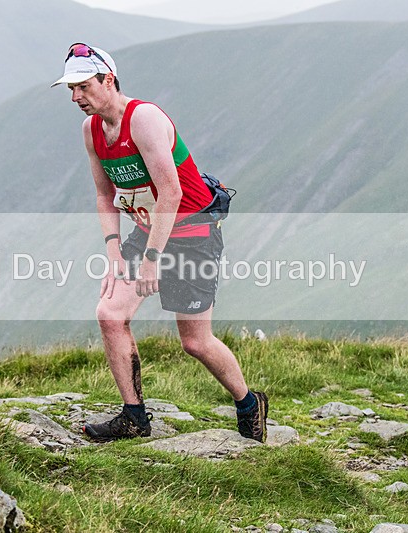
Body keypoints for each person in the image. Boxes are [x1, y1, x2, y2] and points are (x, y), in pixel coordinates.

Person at [51, 43, 268, 443]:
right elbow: (104, 195)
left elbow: (170, 192)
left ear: (108, 79)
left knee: (195, 342)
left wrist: (152, 259)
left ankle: (249, 404)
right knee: (110, 314)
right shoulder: (92, 131)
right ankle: (134, 417)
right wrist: (113, 251)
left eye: (83, 86)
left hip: (191, 233)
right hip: (144, 230)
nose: (75, 97)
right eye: (71, 89)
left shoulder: (144, 119)